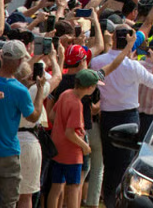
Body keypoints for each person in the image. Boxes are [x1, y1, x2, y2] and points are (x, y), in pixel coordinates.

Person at [89, 26, 153, 208]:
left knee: (109, 162)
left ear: (113, 38)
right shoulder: (133, 66)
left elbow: (98, 82)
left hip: (107, 116)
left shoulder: (97, 62)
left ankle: (110, 201)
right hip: (128, 116)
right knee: (126, 163)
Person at [0, 40, 46, 208]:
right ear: (20, 61)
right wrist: (40, 89)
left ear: (1, 56)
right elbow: (34, 117)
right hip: (7, 153)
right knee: (8, 203)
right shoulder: (20, 91)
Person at [48, 70, 100, 208]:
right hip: (72, 154)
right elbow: (70, 133)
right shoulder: (77, 104)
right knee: (73, 188)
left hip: (57, 149)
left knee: (56, 187)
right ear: (89, 87)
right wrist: (84, 146)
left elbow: (52, 115)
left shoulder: (65, 94)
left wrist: (60, 126)